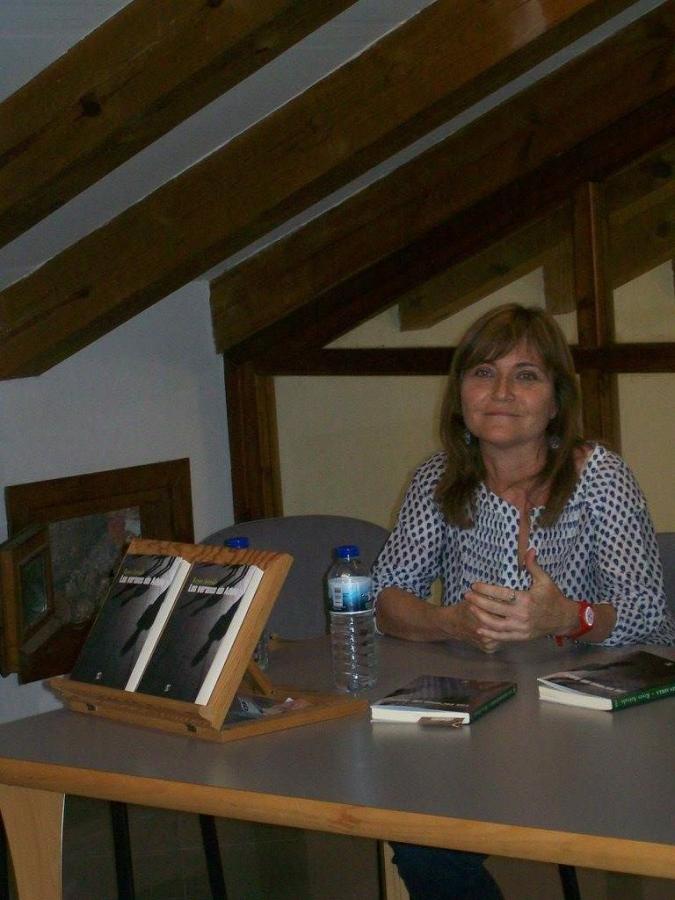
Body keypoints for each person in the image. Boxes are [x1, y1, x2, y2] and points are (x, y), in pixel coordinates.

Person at [371, 303, 675, 900]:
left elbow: (648, 614)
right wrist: (449, 621)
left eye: (526, 375)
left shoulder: (600, 476)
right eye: (483, 373)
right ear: (460, 393)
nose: (502, 392)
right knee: (419, 834)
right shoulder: (438, 479)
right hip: (480, 708)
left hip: (593, 715)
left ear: (557, 400)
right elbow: (386, 599)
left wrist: (569, 617)